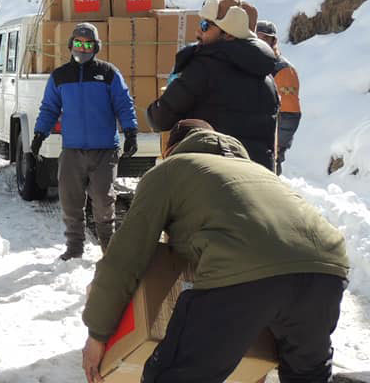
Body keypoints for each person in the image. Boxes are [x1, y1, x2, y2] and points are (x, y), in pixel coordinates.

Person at [81, 119, 349, 383]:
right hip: (327, 270)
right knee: (308, 375)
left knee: (176, 374)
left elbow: (126, 257)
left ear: (170, 150)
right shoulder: (258, 171)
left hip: (245, 268)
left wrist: (97, 334)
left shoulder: (172, 169)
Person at [31, 23, 137, 260]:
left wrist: (131, 132)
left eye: (88, 44)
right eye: (78, 43)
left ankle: (108, 249)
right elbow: (49, 108)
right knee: (71, 201)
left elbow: (124, 103)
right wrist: (39, 134)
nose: (82, 48)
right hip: (72, 151)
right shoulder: (60, 76)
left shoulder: (108, 73)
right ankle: (74, 248)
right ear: (71, 45)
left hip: (104, 151)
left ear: (96, 47)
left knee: (102, 200)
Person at [147, 0, 279, 171]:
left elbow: (159, 118)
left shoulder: (203, 69)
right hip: (257, 179)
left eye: (205, 26)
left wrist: (171, 89)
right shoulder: (267, 78)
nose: (197, 32)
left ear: (228, 35)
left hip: (212, 178)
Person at [256, 19, 301, 175]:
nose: (260, 41)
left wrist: (276, 146)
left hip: (269, 147)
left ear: (273, 41)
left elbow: (290, 115)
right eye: (257, 37)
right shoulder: (251, 64)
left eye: (265, 38)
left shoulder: (284, 71)